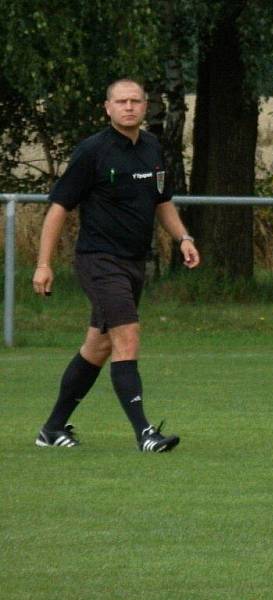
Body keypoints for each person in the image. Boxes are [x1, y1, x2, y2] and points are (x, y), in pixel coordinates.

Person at [31, 78, 200, 452]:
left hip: (133, 263)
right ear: (107, 108)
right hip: (98, 260)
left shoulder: (153, 147)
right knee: (128, 336)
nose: (129, 107)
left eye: (135, 101)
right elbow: (59, 208)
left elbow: (162, 201)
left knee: (98, 346)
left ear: (145, 107)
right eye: (121, 101)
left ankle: (52, 429)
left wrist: (183, 238)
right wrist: (44, 264)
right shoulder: (93, 151)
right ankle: (145, 433)